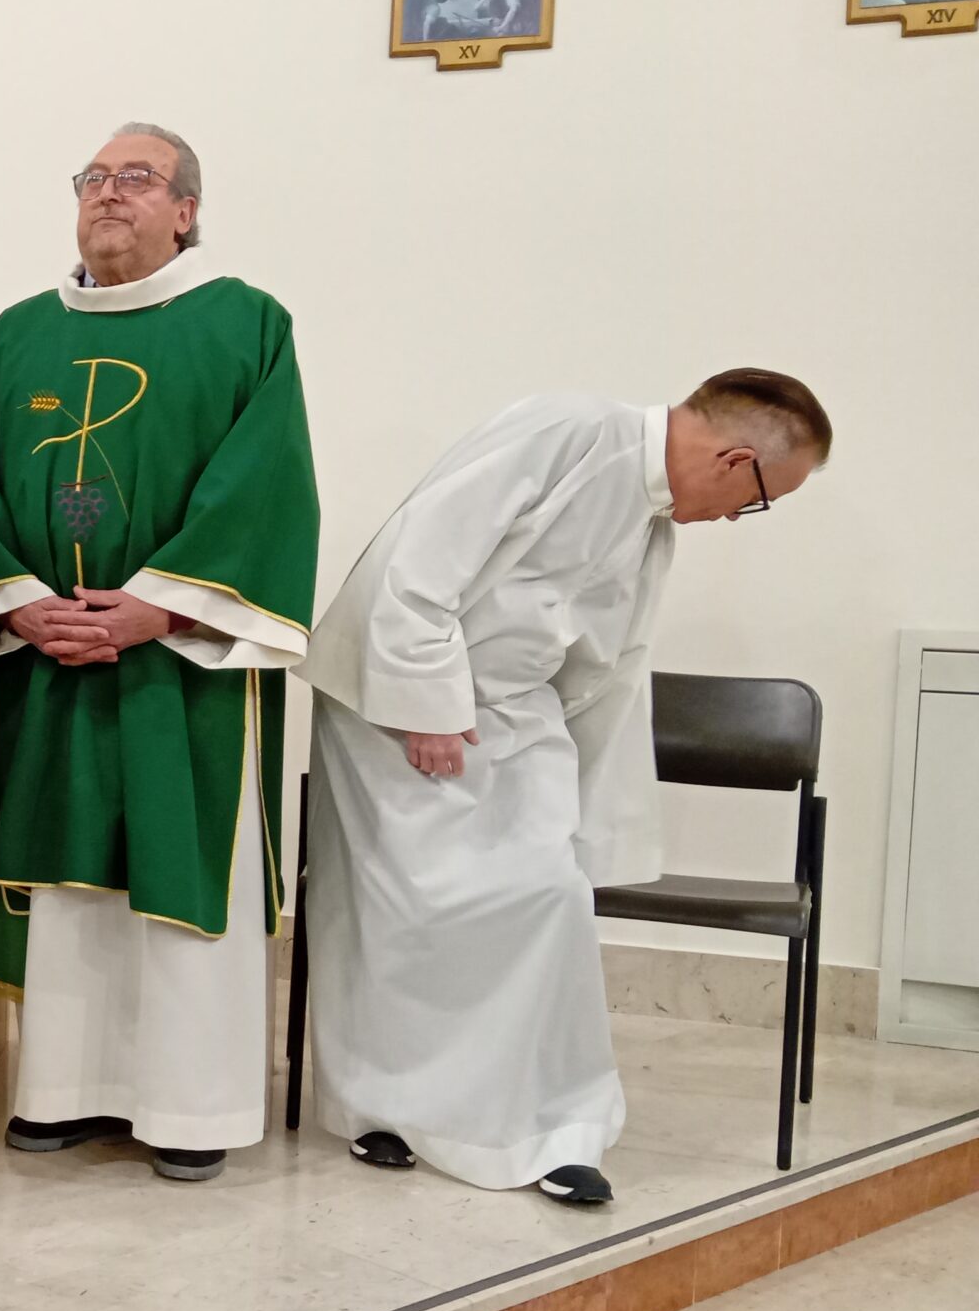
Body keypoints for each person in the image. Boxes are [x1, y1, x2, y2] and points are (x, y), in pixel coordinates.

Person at [298, 370, 833, 1205]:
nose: (739, 516)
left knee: (551, 896)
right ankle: (384, 1111)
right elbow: (423, 554)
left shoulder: (652, 526)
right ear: (736, 461)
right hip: (399, 708)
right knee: (397, 920)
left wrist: (591, 801)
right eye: (759, 499)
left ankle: (555, 1128)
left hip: (516, 717)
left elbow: (611, 668)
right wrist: (425, 703)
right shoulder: (570, 432)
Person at [0, 124, 317, 1182]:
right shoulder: (18, 336)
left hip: (179, 671)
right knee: (66, 884)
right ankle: (61, 1091)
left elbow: (266, 490)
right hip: (49, 659)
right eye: (93, 178)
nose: (107, 193)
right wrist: (18, 605)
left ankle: (191, 1106)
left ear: (185, 210)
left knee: (180, 874)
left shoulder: (246, 324)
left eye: (136, 178)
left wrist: (158, 609)